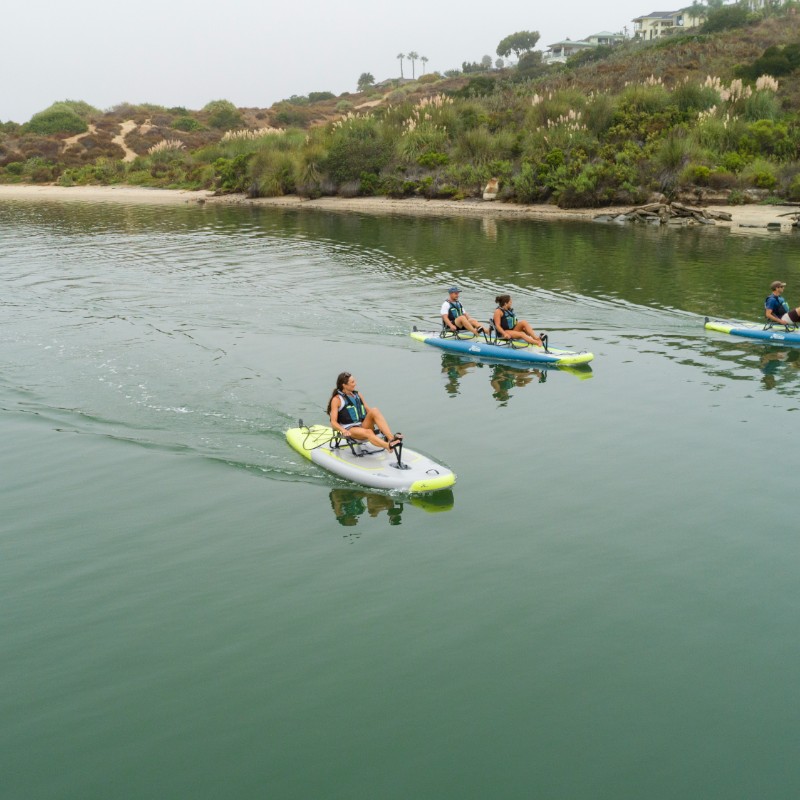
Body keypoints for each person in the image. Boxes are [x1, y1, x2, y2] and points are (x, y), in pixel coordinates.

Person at [326, 372, 402, 451]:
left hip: (362, 425)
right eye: (352, 382)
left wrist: (378, 423)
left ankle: (391, 439)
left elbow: (369, 411)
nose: (355, 384)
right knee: (369, 432)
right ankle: (388, 446)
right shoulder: (337, 399)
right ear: (344, 385)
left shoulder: (358, 395)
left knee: (374, 410)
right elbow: (333, 422)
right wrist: (343, 430)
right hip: (350, 429)